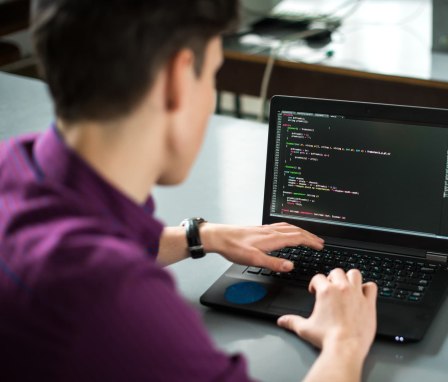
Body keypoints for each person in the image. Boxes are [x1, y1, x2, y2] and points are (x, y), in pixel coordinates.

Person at [0, 1, 377, 381]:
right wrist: (345, 341)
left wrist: (196, 237)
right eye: (212, 74)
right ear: (176, 81)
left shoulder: (13, 162)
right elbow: (94, 281)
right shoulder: (115, 301)